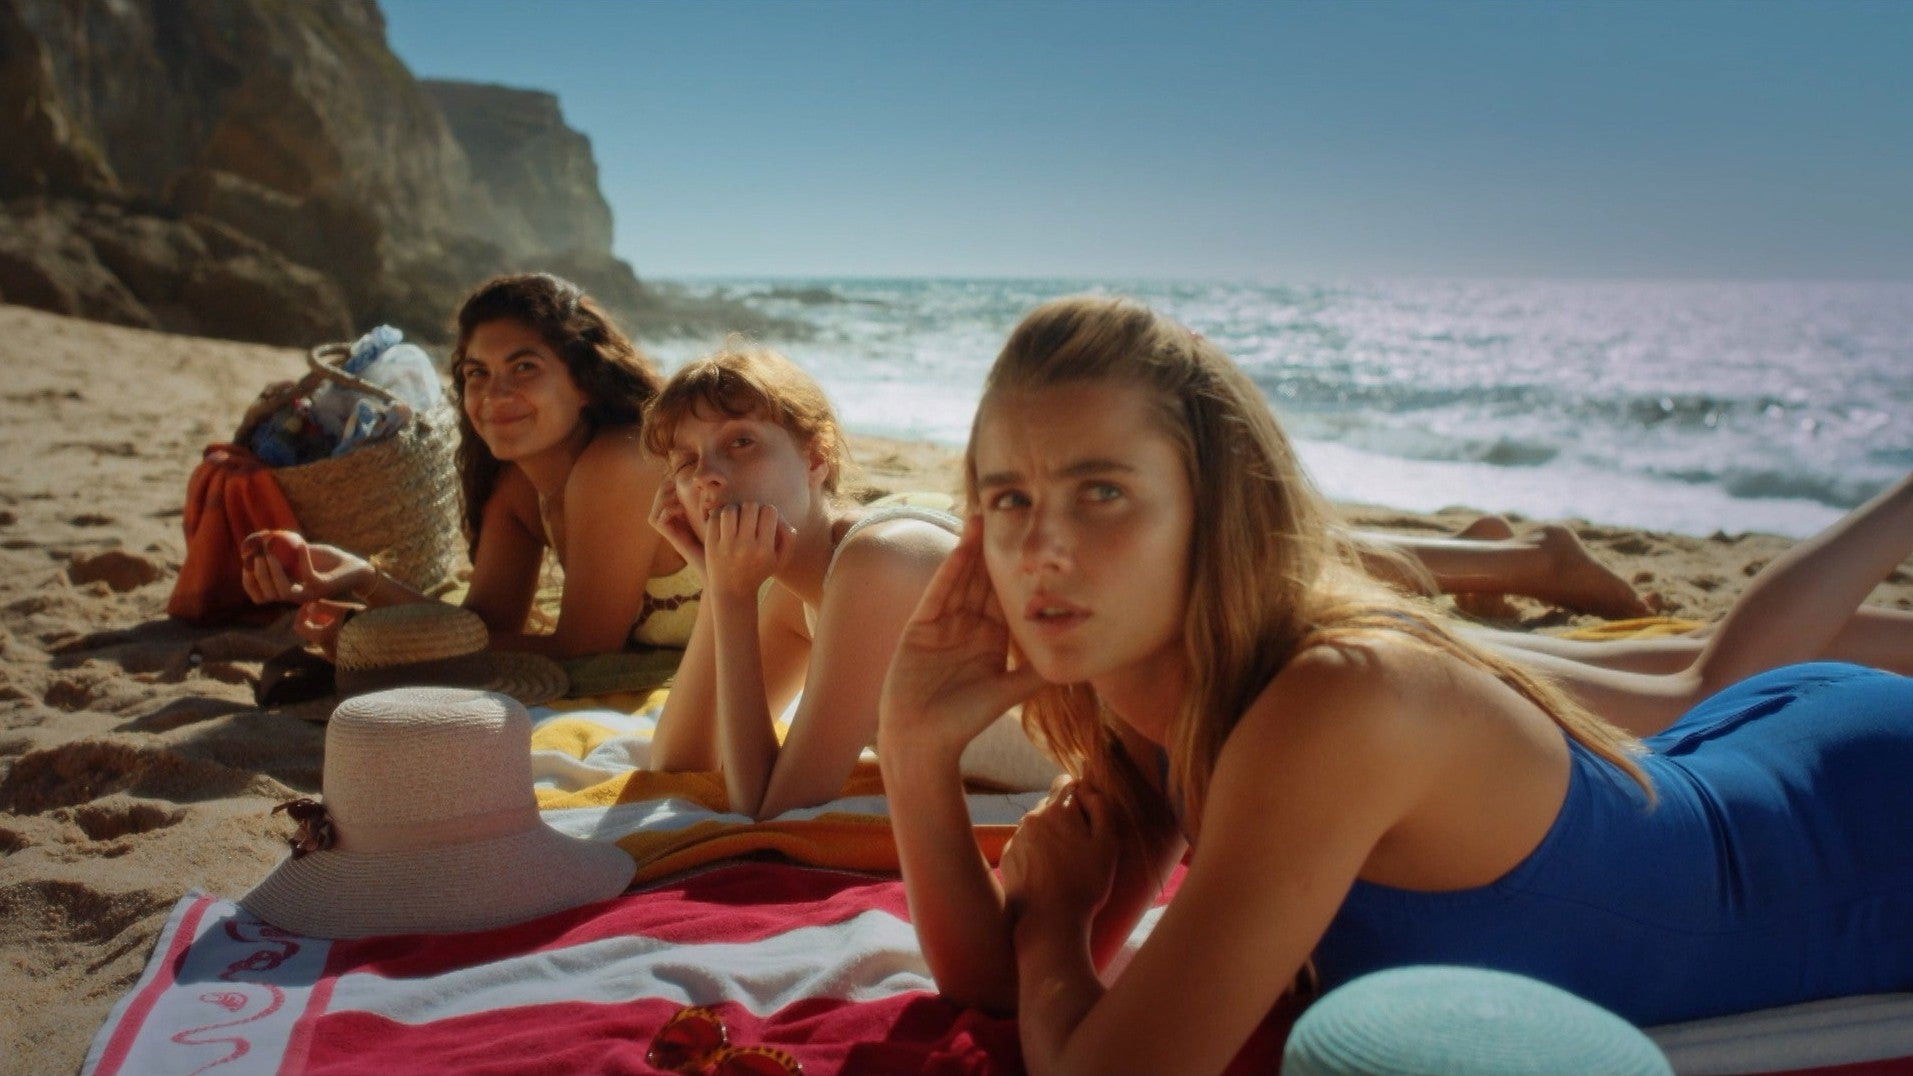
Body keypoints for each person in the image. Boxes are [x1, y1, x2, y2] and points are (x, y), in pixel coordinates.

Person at [878, 295, 1913, 1073]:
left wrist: (1056, 925)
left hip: (1857, 835)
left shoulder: (1332, 703)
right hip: (1734, 757)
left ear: (1214, 506)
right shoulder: (1144, 692)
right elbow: (991, 987)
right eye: (1007, 498)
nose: (1042, 547)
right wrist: (915, 745)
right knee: (1688, 683)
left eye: (1100, 490)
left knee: (1695, 676)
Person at [241, 273, 694, 658]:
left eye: (524, 367)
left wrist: (374, 642)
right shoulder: (519, 486)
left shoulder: (621, 460)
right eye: (478, 373)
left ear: (586, 382)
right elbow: (484, 624)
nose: (494, 394)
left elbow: (584, 651)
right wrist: (361, 577)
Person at [643, 344, 960, 819]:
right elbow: (681, 762)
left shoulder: (879, 560)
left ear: (815, 458)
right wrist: (716, 588)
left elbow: (770, 807)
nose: (706, 475)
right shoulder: (801, 594)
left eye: (740, 442)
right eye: (686, 461)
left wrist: (733, 599)